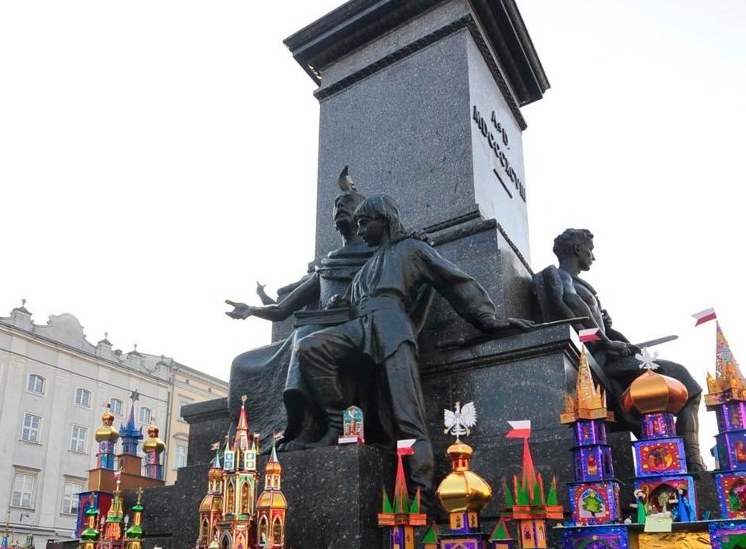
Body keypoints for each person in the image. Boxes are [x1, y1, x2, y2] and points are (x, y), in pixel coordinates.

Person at [295, 194, 530, 495]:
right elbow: (354, 301)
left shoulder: (412, 249)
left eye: (365, 223)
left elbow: (454, 281)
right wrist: (344, 301)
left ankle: (422, 493)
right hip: (359, 328)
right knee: (310, 348)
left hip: (393, 329)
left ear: (384, 220)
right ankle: (338, 422)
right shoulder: (368, 266)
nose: (361, 230)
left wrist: (487, 319)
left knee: (408, 415)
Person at [532, 228, 705, 471]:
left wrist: (608, 329)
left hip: (608, 355)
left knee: (682, 386)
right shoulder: (558, 276)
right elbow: (568, 304)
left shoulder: (583, 284)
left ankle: (682, 457)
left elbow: (583, 313)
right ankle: (691, 460)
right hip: (599, 360)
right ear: (578, 249)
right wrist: (605, 340)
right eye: (590, 250)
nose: (593, 256)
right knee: (686, 384)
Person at [224, 169, 374, 448]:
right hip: (308, 333)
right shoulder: (326, 267)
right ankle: (254, 439)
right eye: (337, 206)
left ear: (365, 217)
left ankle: (307, 427)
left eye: (348, 204)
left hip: (349, 333)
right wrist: (252, 309)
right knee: (242, 363)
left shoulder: (376, 258)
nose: (341, 207)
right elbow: (282, 310)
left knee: (305, 336)